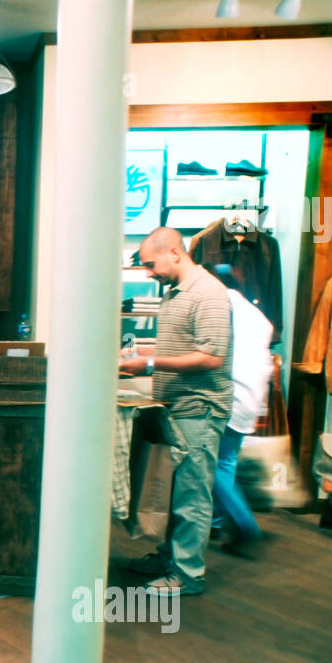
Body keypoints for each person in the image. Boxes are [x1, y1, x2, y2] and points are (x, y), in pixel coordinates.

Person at [119, 227, 233, 597]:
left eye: (151, 265)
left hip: (199, 409)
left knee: (191, 495)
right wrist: (137, 357)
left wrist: (149, 364)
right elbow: (183, 345)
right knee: (173, 491)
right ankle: (171, 557)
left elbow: (211, 357)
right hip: (176, 408)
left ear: (174, 252)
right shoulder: (176, 293)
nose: (149, 273)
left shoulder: (209, 294)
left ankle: (187, 574)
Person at [210, 264, 275, 555]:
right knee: (225, 463)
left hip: (229, 394)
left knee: (207, 466)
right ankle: (216, 521)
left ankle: (245, 524)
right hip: (251, 397)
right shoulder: (256, 314)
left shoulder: (220, 307)